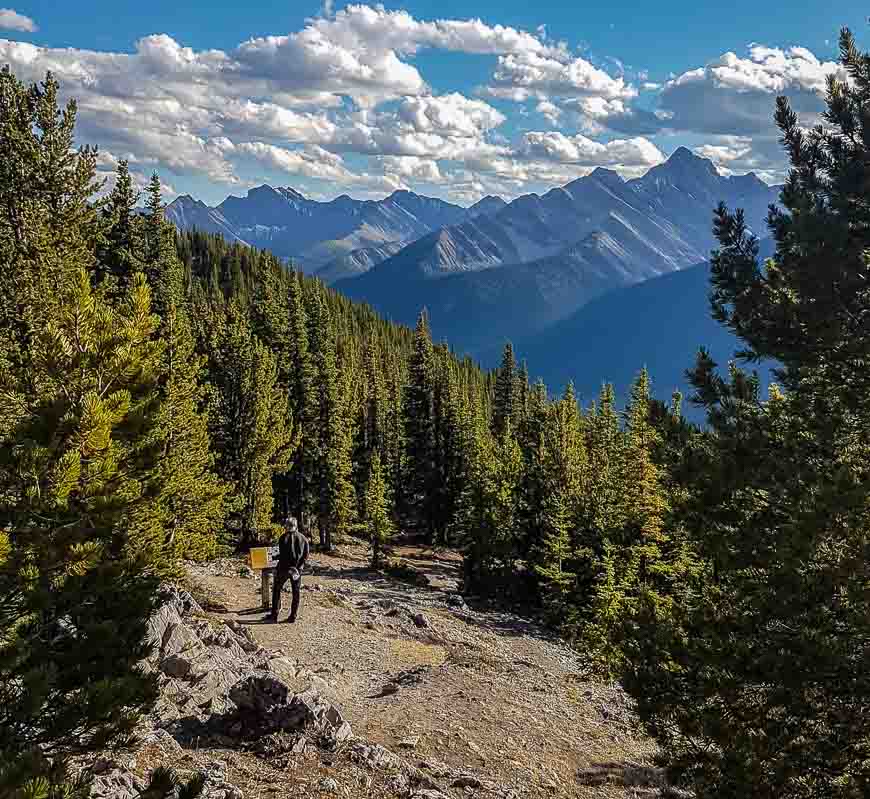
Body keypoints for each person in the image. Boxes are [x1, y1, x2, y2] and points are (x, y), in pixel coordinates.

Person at [269, 516, 310, 623]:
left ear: (287, 526)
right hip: (297, 570)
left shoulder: (283, 538)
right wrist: (299, 567)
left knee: (277, 589)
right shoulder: (304, 539)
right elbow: (306, 555)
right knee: (296, 592)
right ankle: (293, 616)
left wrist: (277, 569)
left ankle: (274, 614)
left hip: (285, 569)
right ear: (296, 526)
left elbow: (282, 556)